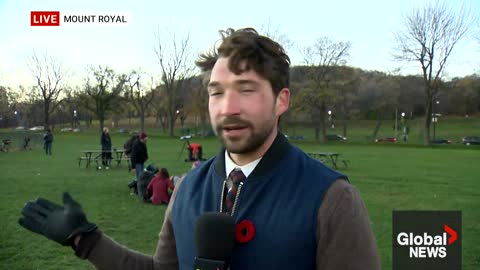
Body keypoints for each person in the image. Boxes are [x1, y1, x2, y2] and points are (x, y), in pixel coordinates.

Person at [18, 28, 380, 270]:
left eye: (247, 89)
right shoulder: (188, 189)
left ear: (281, 100)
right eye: (217, 92)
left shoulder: (332, 199)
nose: (228, 107)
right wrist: (89, 241)